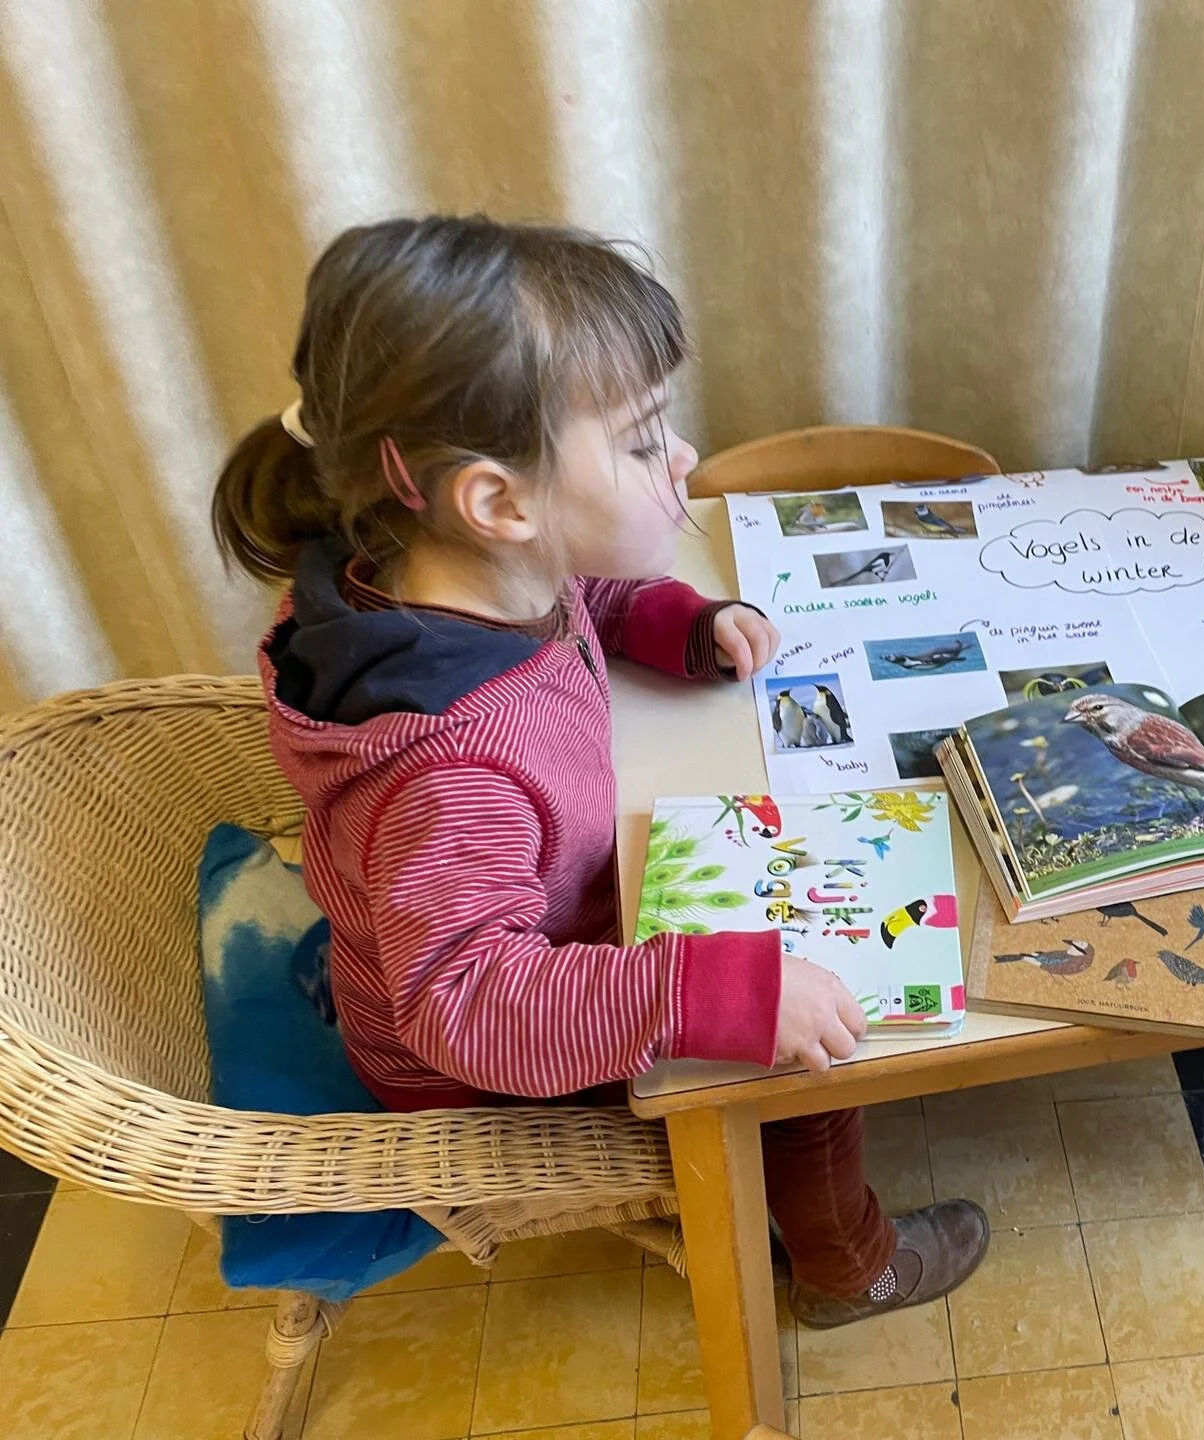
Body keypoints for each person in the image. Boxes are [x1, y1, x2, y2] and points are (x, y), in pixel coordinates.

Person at [211, 215, 987, 1327]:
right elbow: (468, 1004)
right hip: (478, 1061)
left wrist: (677, 622)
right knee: (803, 1073)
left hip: (537, 927)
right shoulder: (451, 772)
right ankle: (850, 1268)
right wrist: (710, 997)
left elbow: (574, 594)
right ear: (499, 502)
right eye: (639, 441)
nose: (682, 458)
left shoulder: (440, 570)